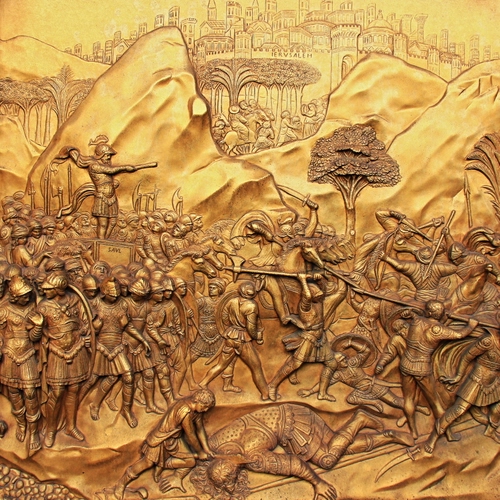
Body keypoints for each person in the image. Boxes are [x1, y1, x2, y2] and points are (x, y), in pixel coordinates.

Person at [191, 404, 413, 500]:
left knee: (327, 459)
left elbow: (295, 465)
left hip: (294, 425)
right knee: (337, 446)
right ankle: (387, 437)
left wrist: (318, 483)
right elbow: (192, 454)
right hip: (288, 416)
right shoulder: (213, 445)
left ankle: (359, 420)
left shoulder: (254, 459)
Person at [111, 389, 216, 500]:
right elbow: (191, 436)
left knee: (190, 461)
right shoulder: (185, 411)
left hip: (174, 440)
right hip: (160, 440)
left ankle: (162, 464)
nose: (206, 410)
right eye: (205, 407)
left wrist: (206, 449)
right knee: (146, 463)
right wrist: (200, 452)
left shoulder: (197, 412)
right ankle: (121, 484)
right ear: (197, 401)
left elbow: (200, 429)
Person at [398, 300, 478, 440]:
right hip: (422, 367)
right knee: (435, 402)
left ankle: (413, 432)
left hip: (406, 363)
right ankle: (448, 434)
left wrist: (409, 312)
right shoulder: (438, 330)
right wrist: (470, 326)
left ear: (428, 312)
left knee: (408, 399)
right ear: (440, 313)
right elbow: (459, 335)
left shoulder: (416, 320)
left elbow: (414, 314)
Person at [56, 139, 157, 239]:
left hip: (112, 197)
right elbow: (111, 170)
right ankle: (101, 241)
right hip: (102, 197)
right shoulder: (94, 166)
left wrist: (114, 183)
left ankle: (105, 242)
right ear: (100, 155)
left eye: (110, 155)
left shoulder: (104, 165)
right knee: (103, 223)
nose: (109, 157)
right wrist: (125, 167)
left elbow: (107, 176)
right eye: (107, 155)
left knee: (113, 222)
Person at [35, 273, 91, 447]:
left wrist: (85, 332)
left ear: (59, 289)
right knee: (57, 391)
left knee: (74, 389)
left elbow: (86, 323)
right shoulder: (43, 307)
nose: (45, 291)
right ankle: (51, 430)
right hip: (56, 351)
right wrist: (38, 328)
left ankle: (71, 426)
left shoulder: (75, 301)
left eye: (49, 288)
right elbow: (35, 335)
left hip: (77, 349)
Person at [200, 281, 270, 400]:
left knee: (220, 365)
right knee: (256, 367)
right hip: (243, 339)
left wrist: (231, 327)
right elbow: (251, 328)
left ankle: (203, 383)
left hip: (230, 336)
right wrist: (257, 336)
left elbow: (224, 316)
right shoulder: (251, 306)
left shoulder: (232, 301)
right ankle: (265, 394)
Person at [0, 276, 43, 454]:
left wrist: (38, 326)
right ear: (15, 296)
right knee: (13, 391)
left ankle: (34, 432)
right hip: (10, 354)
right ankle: (20, 423)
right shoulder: (4, 311)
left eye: (28, 295)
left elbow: (34, 338)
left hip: (27, 354)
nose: (26, 298)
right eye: (23, 296)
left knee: (31, 392)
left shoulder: (32, 309)